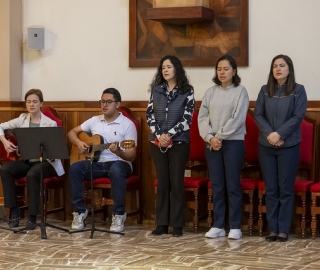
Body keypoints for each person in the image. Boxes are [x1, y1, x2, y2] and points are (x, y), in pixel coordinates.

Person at [68, 88, 137, 233]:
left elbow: (132, 155)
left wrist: (118, 151)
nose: (104, 105)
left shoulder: (127, 124)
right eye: (102, 101)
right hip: (97, 163)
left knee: (116, 169)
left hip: (121, 163)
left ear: (117, 104)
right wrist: (79, 143)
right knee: (75, 168)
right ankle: (80, 212)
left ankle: (118, 214)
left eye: (108, 102)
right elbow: (71, 133)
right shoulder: (94, 121)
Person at [254, 54, 307, 242]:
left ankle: (283, 229)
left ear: (289, 69)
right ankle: (273, 229)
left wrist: (280, 134)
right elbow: (258, 115)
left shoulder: (298, 90)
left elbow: (298, 116)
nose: (278, 69)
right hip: (266, 145)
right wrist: (270, 134)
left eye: (282, 65)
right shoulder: (264, 90)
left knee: (285, 188)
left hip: (289, 146)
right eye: (275, 66)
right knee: (271, 188)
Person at [198, 55, 249, 240]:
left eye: (226, 69)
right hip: (212, 144)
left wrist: (218, 136)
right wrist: (210, 138)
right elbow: (202, 118)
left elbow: (238, 119)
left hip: (233, 143)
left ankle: (235, 226)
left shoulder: (240, 91)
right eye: (219, 69)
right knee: (217, 184)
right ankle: (218, 224)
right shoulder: (210, 92)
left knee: (232, 184)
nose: (222, 72)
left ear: (234, 71)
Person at [0, 89, 65, 230]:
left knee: (33, 174)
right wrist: (5, 142)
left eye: (35, 102)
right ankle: (14, 211)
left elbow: (55, 151)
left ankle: (33, 217)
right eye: (28, 102)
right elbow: (0, 126)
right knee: (6, 169)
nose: (31, 104)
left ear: (41, 103)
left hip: (48, 163)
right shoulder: (22, 119)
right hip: (28, 161)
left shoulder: (50, 123)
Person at [146, 55, 195, 237]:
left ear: (177, 69)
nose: (165, 70)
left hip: (180, 142)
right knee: (163, 182)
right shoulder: (156, 90)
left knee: (176, 182)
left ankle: (177, 225)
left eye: (169, 66)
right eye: (163, 67)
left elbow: (187, 118)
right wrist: (160, 135)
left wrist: (170, 135)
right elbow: (149, 115)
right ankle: (162, 224)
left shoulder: (187, 91)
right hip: (157, 142)